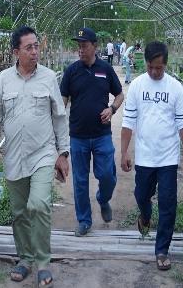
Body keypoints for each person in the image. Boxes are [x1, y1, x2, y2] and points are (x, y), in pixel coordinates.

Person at [0, 26, 70, 286]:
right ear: (16, 52)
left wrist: (62, 153)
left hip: (43, 154)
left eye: (36, 46)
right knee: (19, 211)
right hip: (13, 156)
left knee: (38, 205)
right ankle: (25, 259)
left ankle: (43, 262)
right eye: (29, 47)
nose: (35, 52)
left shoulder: (48, 78)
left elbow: (59, 117)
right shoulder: (3, 80)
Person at [120, 41, 183, 271]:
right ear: (146, 63)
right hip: (144, 156)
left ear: (166, 65)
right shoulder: (137, 86)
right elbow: (128, 122)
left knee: (168, 203)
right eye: (150, 67)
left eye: (158, 68)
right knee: (142, 195)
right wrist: (124, 152)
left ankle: (162, 250)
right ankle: (144, 215)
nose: (154, 72)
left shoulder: (175, 88)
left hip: (168, 157)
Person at [60, 27, 124, 237]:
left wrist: (112, 109)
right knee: (79, 180)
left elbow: (119, 95)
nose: (81, 50)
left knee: (107, 175)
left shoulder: (105, 69)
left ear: (94, 46)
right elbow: (63, 102)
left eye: (84, 46)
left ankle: (103, 199)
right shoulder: (71, 71)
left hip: (102, 134)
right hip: (78, 136)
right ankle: (84, 221)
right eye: (78, 46)